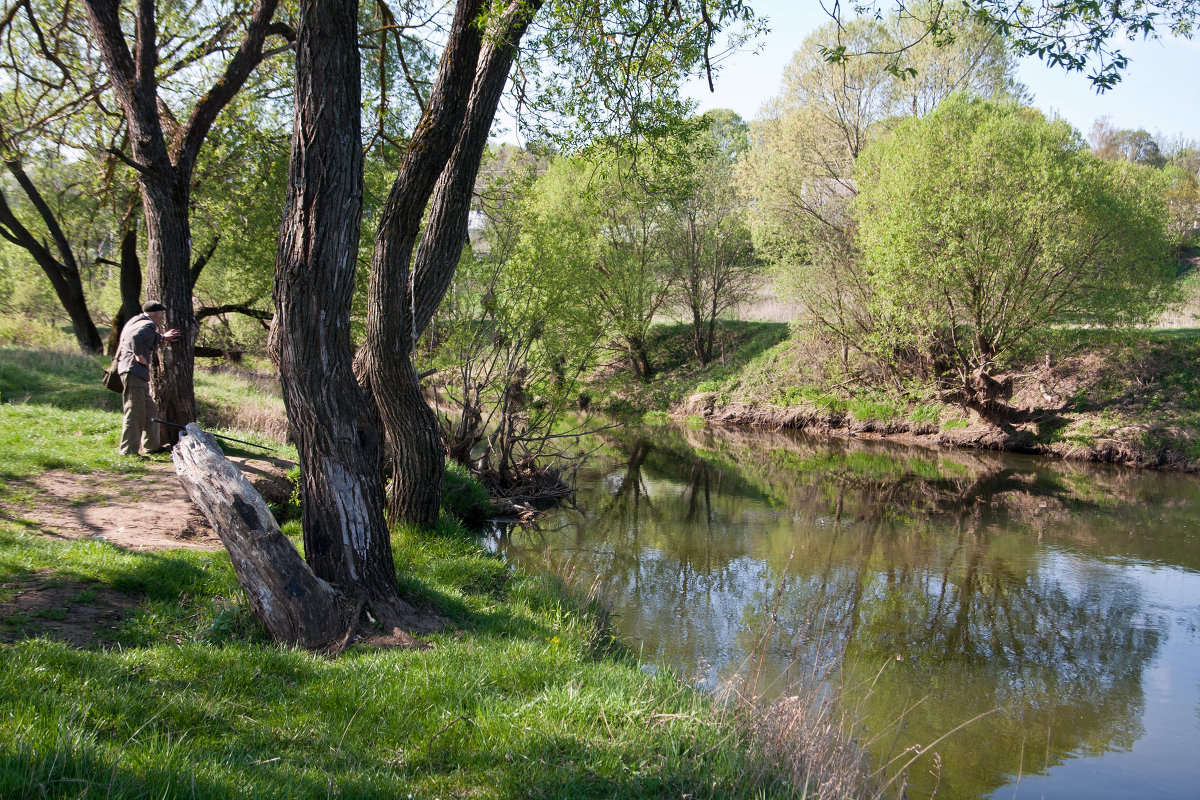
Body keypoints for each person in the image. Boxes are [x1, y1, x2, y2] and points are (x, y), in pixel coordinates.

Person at [116, 300, 181, 455]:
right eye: (162, 314)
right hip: (134, 373)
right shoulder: (148, 325)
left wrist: (163, 337)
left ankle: (151, 446)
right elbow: (136, 338)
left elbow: (142, 335)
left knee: (150, 411)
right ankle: (128, 452)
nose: (163, 317)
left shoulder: (136, 321)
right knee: (134, 412)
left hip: (133, 373)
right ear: (156, 313)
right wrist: (139, 356)